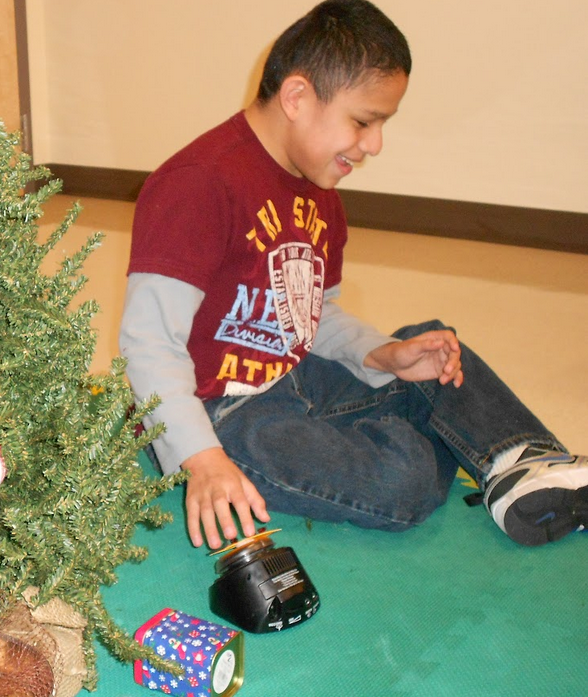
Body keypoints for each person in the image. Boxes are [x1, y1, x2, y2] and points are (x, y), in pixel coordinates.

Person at [119, 0, 587, 550]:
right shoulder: (196, 184)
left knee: (430, 348)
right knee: (403, 482)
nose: (374, 145)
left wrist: (380, 353)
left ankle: (519, 464)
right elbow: (148, 345)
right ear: (296, 97)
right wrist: (203, 460)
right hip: (221, 412)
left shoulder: (321, 193)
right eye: (364, 122)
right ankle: (453, 441)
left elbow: (312, 320)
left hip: (296, 377)